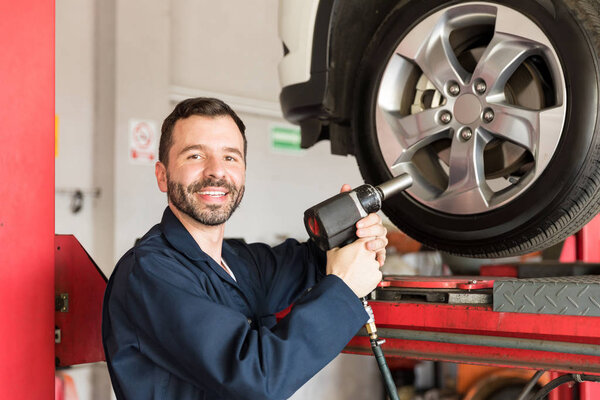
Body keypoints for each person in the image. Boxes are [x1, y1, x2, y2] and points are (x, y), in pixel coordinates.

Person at [102, 97, 388, 400]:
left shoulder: (240, 262)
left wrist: (353, 233)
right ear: (163, 175)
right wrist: (343, 287)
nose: (216, 172)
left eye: (230, 158)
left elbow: (308, 261)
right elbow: (255, 376)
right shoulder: (150, 272)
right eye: (195, 156)